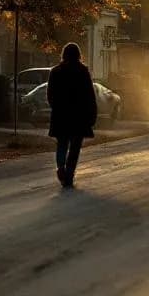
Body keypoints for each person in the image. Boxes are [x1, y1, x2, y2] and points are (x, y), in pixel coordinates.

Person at [47, 42, 98, 188]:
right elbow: (90, 95)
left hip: (61, 116)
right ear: (78, 55)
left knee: (62, 144)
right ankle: (69, 174)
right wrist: (92, 114)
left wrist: (57, 108)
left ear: (63, 54)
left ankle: (61, 168)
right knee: (75, 147)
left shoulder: (55, 72)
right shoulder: (83, 71)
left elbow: (50, 95)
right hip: (79, 117)